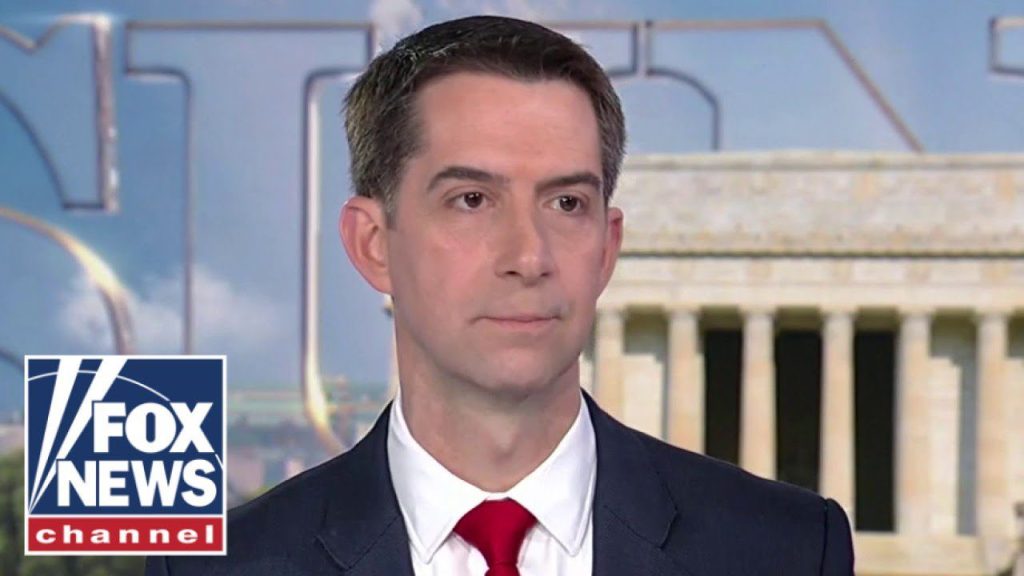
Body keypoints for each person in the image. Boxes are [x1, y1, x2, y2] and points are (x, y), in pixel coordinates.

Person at [146, 15, 854, 576]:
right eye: (472, 199)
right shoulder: (222, 566)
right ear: (373, 244)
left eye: (567, 203)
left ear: (607, 249)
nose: (528, 257)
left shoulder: (790, 550)